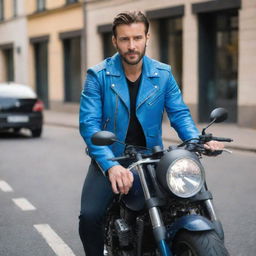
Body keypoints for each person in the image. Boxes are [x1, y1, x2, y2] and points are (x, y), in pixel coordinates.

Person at [79, 11, 224, 256]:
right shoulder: (98, 75)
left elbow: (179, 114)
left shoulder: (163, 74)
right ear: (114, 41)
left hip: (151, 158)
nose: (132, 46)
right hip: (111, 157)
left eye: (137, 38)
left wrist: (197, 140)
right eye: (124, 39)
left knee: (190, 201)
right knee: (90, 216)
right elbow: (89, 125)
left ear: (148, 37)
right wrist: (110, 165)